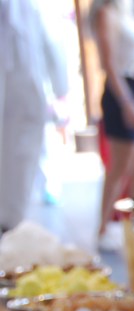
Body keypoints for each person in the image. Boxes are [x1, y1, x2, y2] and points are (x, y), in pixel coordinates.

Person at [0, 0, 67, 231]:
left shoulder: (31, 8)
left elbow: (51, 43)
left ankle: (12, 222)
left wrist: (61, 89)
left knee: (22, 160)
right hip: (20, 93)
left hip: (24, 93)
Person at [92, 0, 134, 250]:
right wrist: (127, 102)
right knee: (120, 165)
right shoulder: (106, 13)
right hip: (122, 93)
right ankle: (103, 227)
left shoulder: (131, 9)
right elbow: (109, 65)